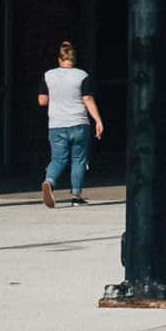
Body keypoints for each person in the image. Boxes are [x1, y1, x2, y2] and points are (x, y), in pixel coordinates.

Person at [38, 40, 103, 207]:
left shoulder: (48, 75)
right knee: (79, 160)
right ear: (74, 60)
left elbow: (42, 101)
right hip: (78, 122)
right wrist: (97, 120)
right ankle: (76, 196)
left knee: (58, 158)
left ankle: (49, 181)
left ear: (59, 59)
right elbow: (87, 99)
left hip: (56, 124)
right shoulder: (82, 75)